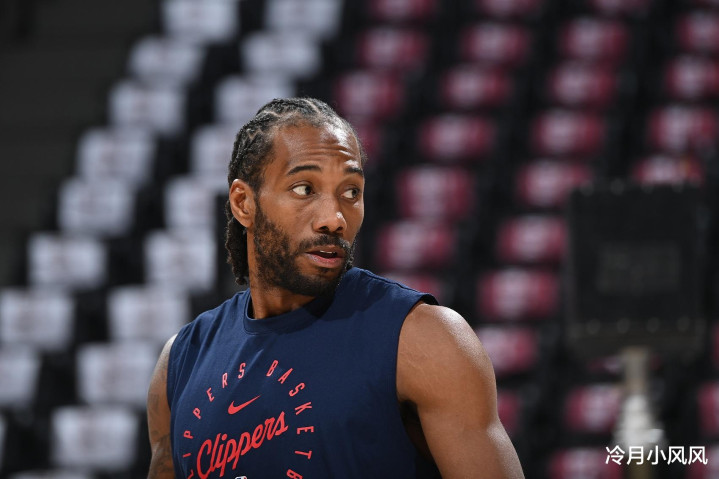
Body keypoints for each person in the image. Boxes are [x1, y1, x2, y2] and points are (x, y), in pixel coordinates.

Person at [146, 97, 525, 479]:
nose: (334, 218)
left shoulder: (424, 339)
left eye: (351, 192)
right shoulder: (181, 361)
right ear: (244, 203)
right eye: (304, 189)